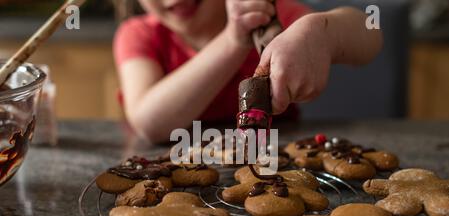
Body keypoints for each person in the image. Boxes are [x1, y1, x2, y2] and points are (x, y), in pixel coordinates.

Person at [114, 0, 383, 143]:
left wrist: (326, 33)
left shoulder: (269, 15)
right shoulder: (138, 35)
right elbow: (151, 123)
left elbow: (372, 32)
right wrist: (233, 40)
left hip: (278, 164)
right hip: (177, 171)